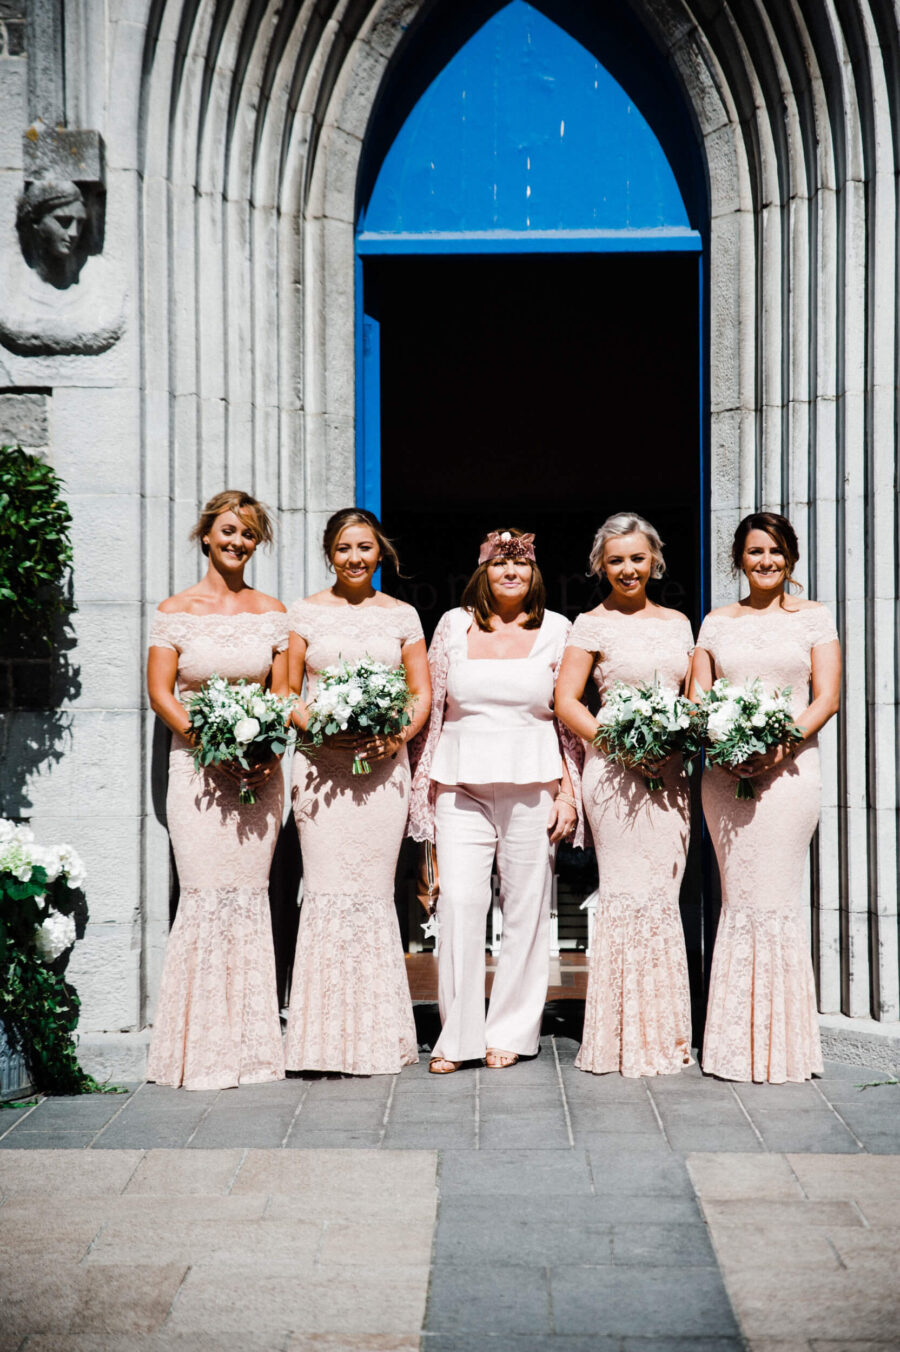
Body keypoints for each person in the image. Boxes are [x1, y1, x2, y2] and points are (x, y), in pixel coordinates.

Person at [409, 528, 583, 1074]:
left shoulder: (559, 630)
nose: (511, 573)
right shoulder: (452, 626)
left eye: (522, 565)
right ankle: (456, 1036)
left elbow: (569, 722)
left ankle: (511, 1030)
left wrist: (569, 795)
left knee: (526, 910)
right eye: (500, 564)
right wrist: (422, 785)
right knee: (458, 904)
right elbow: (431, 708)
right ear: (482, 573)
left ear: (535, 575)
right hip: (459, 783)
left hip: (534, 783)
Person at [691, 512, 841, 1082]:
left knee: (774, 898)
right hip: (725, 777)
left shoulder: (815, 619)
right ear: (739, 559)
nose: (766, 561)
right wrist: (723, 744)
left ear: (792, 558)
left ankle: (783, 1048)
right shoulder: (716, 622)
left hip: (790, 772)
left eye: (776, 551)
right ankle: (733, 1047)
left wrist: (777, 749)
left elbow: (825, 698)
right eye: (755, 552)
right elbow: (698, 696)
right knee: (739, 898)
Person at [146, 490, 288, 1090]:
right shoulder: (174, 610)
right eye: (228, 531)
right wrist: (211, 744)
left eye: (249, 534)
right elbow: (161, 693)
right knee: (204, 894)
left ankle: (254, 1050)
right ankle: (197, 1051)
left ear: (258, 544)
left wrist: (258, 750)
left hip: (258, 774)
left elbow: (282, 694)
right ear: (206, 535)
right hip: (197, 770)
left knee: (250, 896)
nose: (237, 542)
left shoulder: (273, 611)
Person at [285, 509, 431, 1075]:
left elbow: (420, 694)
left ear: (380, 553)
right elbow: (287, 690)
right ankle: (318, 1041)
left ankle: (376, 1037)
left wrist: (394, 733)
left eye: (364, 548)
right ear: (329, 553)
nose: (354, 558)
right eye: (344, 548)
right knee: (324, 890)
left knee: (371, 894)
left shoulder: (402, 615)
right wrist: (320, 725)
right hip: (320, 770)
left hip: (381, 773)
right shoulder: (303, 613)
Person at [555, 512, 694, 1077]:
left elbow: (693, 698)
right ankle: (616, 1036)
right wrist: (617, 746)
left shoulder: (682, 623)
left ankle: (662, 1035)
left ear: (654, 560)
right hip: (613, 776)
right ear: (600, 566)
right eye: (616, 560)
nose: (628, 569)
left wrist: (673, 745)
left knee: (661, 900)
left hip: (670, 776)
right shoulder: (589, 623)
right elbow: (566, 700)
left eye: (637, 558)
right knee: (624, 897)